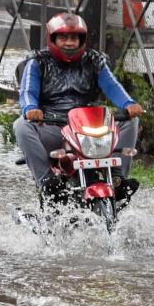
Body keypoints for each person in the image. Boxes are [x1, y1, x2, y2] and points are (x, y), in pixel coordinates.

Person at [14, 12, 144, 203]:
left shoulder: (94, 60)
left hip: (90, 127)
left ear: (81, 39)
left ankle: (118, 178)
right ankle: (47, 181)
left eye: (74, 38)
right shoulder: (37, 62)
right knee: (21, 125)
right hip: (54, 126)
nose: (69, 43)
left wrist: (129, 104)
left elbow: (112, 86)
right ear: (52, 39)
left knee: (131, 121)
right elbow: (27, 92)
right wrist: (31, 109)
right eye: (63, 37)